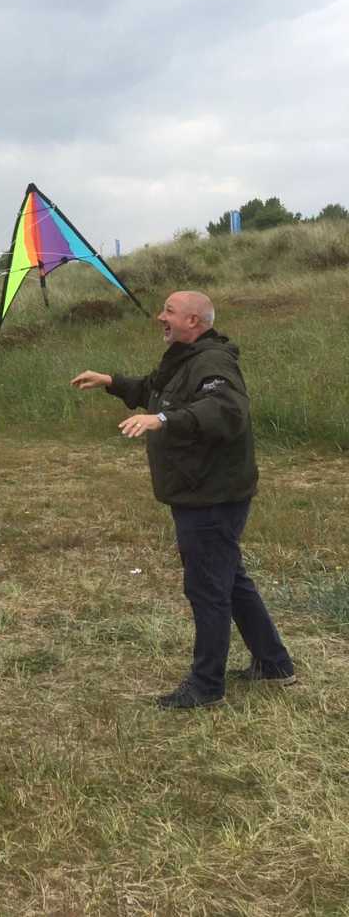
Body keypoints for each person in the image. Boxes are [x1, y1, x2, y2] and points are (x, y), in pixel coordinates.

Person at [71, 290, 295, 710]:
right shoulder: (182, 359)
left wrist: (162, 420)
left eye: (169, 312)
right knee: (231, 579)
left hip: (211, 495)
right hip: (201, 491)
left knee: (208, 588)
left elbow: (226, 411)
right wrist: (111, 382)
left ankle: (206, 686)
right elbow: (152, 390)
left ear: (194, 321)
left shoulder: (212, 364)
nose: (161, 317)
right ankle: (275, 663)